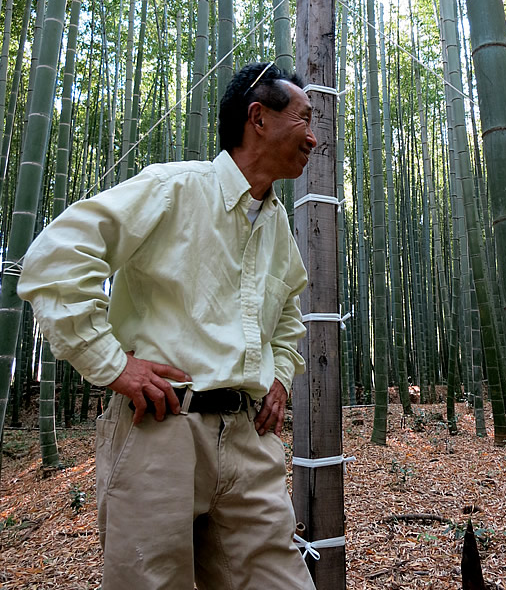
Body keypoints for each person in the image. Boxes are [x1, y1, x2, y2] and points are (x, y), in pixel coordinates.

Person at [18, 62, 318, 590]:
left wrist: (281, 375)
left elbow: (289, 309)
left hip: (250, 439)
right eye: (303, 119)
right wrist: (113, 365)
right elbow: (55, 260)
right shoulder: (172, 188)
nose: (314, 138)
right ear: (259, 118)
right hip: (160, 430)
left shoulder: (276, 223)